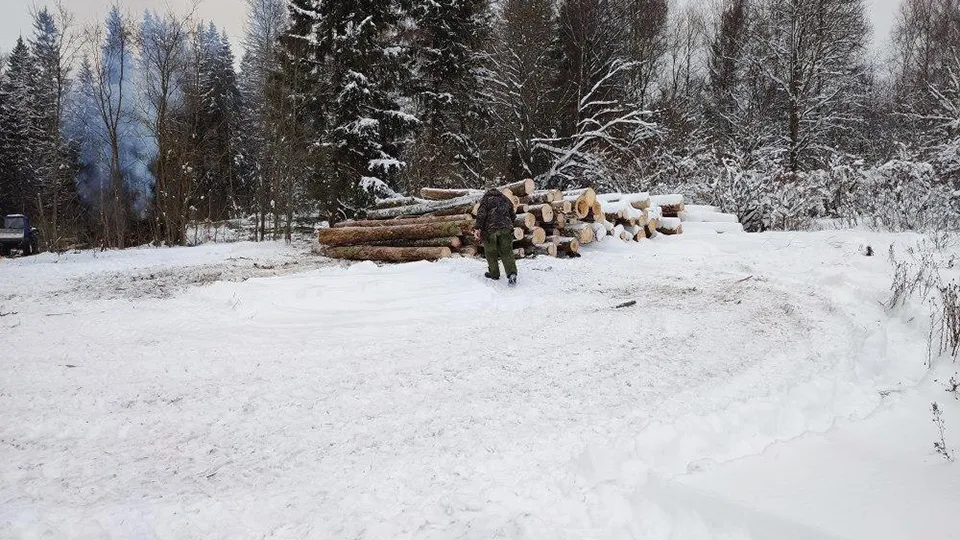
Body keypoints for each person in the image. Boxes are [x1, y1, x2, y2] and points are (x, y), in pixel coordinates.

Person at [474, 188, 518, 285]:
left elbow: (481, 215)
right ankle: (512, 273)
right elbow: (513, 215)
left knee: (491, 252)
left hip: (490, 230)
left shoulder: (486, 200)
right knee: (507, 251)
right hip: (506, 229)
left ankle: (494, 274)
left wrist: (477, 228)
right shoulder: (505, 199)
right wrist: (508, 225)